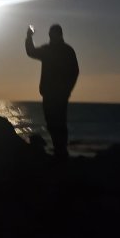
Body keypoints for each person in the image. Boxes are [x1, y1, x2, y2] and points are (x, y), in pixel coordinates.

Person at [25, 24, 79, 161]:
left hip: (58, 94)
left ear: (58, 34)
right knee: (52, 122)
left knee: (59, 122)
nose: (50, 36)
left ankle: (61, 151)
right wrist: (29, 37)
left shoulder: (66, 51)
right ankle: (59, 150)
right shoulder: (49, 50)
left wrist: (67, 90)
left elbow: (74, 71)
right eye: (50, 34)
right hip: (49, 93)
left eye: (52, 34)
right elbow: (31, 52)